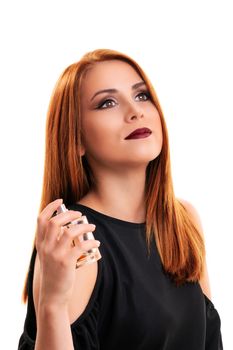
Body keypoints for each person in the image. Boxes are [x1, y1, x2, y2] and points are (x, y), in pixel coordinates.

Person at [18, 48, 223, 349]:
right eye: (107, 102)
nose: (135, 111)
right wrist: (52, 305)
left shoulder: (183, 220)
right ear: (75, 139)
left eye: (141, 95)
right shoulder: (75, 238)